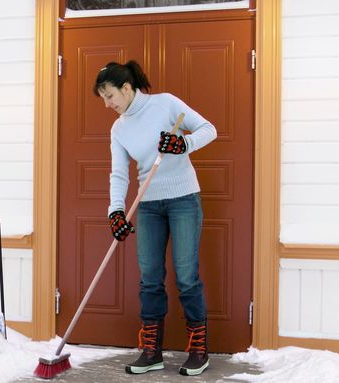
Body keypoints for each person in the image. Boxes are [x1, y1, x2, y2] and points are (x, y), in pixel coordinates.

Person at [94, 60, 217, 376]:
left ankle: (198, 350)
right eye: (103, 98)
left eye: (109, 96)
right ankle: (152, 351)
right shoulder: (119, 128)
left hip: (183, 200)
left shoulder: (166, 104)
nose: (108, 104)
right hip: (148, 205)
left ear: (126, 87)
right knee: (150, 279)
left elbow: (209, 129)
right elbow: (119, 174)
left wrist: (183, 143)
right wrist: (116, 211)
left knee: (186, 275)